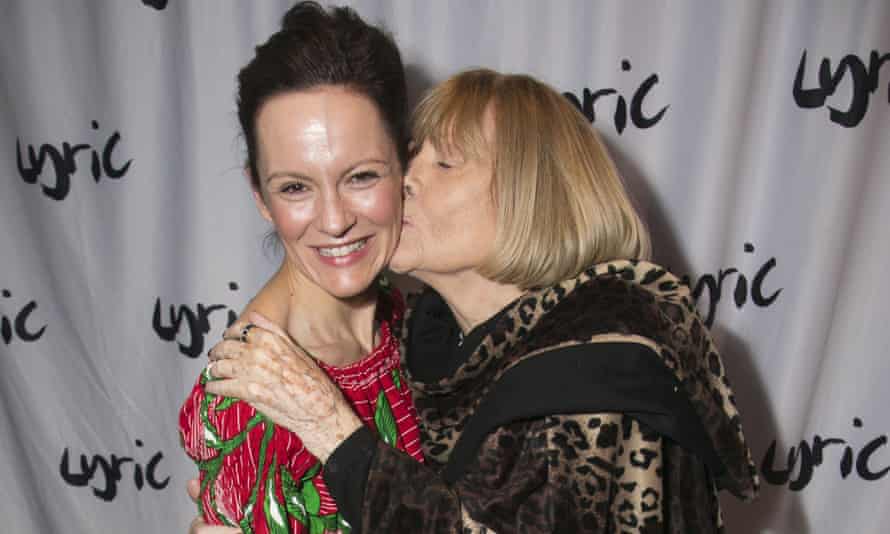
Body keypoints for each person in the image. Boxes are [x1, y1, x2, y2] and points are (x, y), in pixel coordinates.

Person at [203, 69, 759, 533]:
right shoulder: (433, 339)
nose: (405, 181)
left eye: (444, 164)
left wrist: (330, 428)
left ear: (530, 193)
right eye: (410, 157)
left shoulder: (602, 365)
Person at [178, 3, 424, 533]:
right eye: (295, 187)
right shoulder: (250, 396)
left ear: (407, 167)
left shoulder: (416, 314)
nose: (335, 221)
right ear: (260, 195)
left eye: (360, 176)